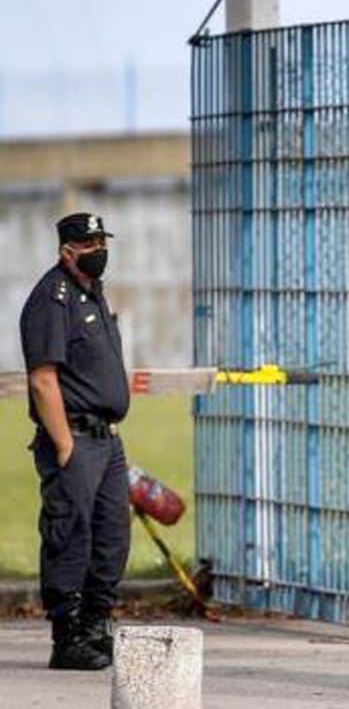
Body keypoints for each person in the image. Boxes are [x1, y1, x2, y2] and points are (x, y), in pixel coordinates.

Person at [19, 213, 131, 670]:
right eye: (89, 244)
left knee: (111, 535)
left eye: (102, 241)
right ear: (67, 251)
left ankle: (94, 628)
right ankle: (67, 638)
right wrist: (64, 444)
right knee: (70, 534)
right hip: (75, 437)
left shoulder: (93, 293)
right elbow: (43, 379)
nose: (99, 250)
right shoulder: (53, 299)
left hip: (106, 440)